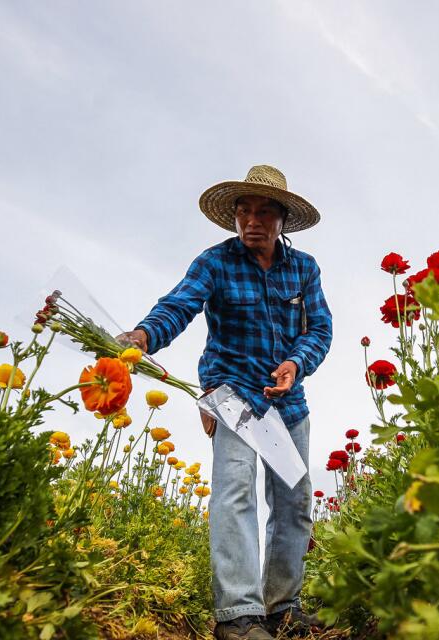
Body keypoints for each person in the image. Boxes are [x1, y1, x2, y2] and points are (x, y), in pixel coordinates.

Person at [116, 165, 333, 640]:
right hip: (231, 394)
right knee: (234, 491)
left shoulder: (304, 269)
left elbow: (320, 329)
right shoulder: (215, 263)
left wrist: (295, 364)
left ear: (282, 220)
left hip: (288, 403)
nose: (251, 220)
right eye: (243, 211)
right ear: (233, 217)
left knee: (293, 503)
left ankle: (283, 608)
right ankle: (237, 614)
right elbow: (179, 305)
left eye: (263, 212)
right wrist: (143, 336)